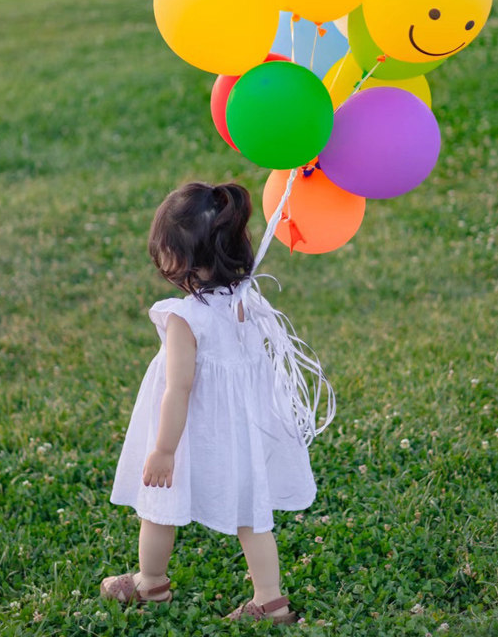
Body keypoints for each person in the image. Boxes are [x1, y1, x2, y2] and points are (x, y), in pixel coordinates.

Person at [101, 181, 334, 625]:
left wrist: (164, 449)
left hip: (191, 431)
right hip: (240, 429)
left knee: (157, 499)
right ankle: (270, 599)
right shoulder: (247, 299)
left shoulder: (184, 317)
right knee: (252, 512)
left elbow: (179, 388)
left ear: (182, 258)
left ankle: (151, 583)